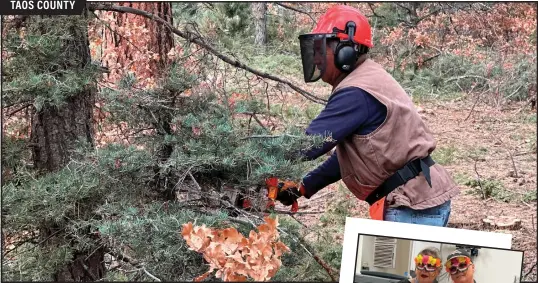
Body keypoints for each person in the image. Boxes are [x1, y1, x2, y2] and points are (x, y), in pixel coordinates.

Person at [273, 5, 459, 226]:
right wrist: (304, 186)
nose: (317, 58)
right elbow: (347, 159)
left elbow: (308, 144)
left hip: (412, 205)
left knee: (399, 263)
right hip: (418, 199)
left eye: (322, 50)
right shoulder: (366, 78)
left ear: (346, 52)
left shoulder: (356, 92)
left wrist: (253, 161)